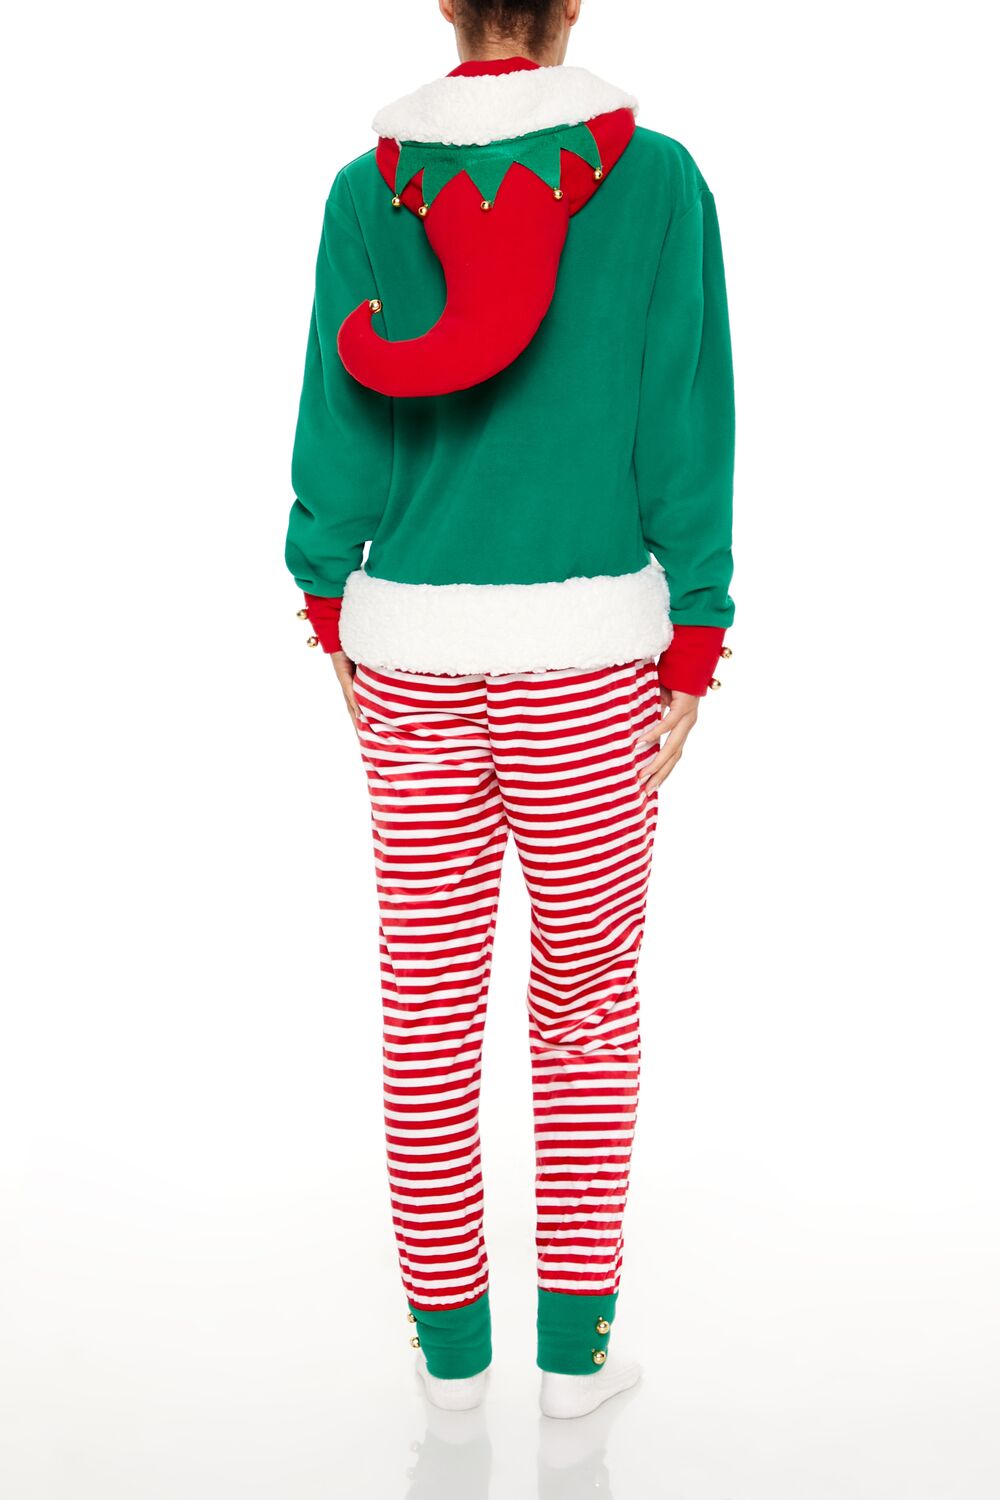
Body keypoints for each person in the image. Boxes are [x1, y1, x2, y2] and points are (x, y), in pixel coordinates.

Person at [284, 0, 735, 1420]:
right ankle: (575, 1358)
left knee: (426, 1004)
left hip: (413, 657)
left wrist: (324, 596)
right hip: (590, 661)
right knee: (586, 1005)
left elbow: (340, 419)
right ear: (570, 5)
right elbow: (683, 416)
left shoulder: (368, 191)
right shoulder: (654, 181)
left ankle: (451, 1358)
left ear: (446, 3)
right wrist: (697, 630)